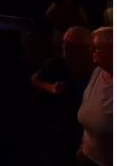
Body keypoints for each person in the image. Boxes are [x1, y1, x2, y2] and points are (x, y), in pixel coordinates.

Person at [31, 26, 93, 163]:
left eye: (71, 48)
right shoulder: (57, 65)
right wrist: (50, 87)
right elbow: (34, 80)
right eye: (65, 47)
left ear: (87, 49)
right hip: (58, 131)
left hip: (83, 134)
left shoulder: (96, 70)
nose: (66, 53)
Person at [77, 27, 112, 165]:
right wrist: (83, 146)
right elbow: (90, 112)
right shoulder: (98, 72)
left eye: (95, 48)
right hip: (87, 156)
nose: (90, 52)